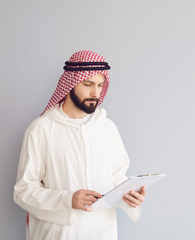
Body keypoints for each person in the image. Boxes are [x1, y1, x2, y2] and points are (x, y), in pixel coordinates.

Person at [13, 50, 146, 240]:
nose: (95, 93)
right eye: (87, 84)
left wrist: (131, 198)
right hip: (58, 235)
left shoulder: (107, 127)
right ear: (71, 83)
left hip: (103, 233)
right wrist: (68, 200)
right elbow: (24, 191)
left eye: (100, 85)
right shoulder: (41, 129)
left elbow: (116, 178)